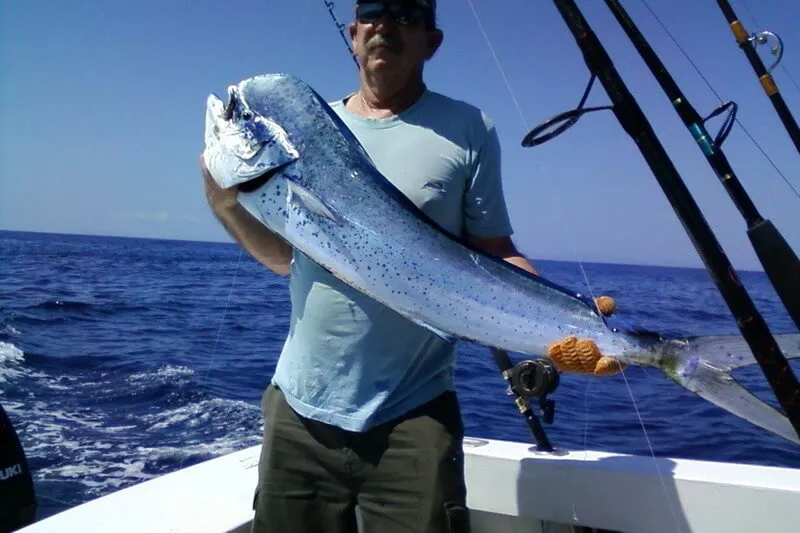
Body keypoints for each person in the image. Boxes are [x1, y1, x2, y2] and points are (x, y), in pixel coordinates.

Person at [201, 1, 615, 531]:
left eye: (405, 14)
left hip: (415, 413)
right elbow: (284, 259)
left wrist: (570, 323)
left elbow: (495, 250)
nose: (384, 25)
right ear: (353, 35)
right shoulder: (302, 135)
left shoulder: (469, 128)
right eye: (372, 13)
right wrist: (225, 202)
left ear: (431, 41)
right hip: (300, 409)